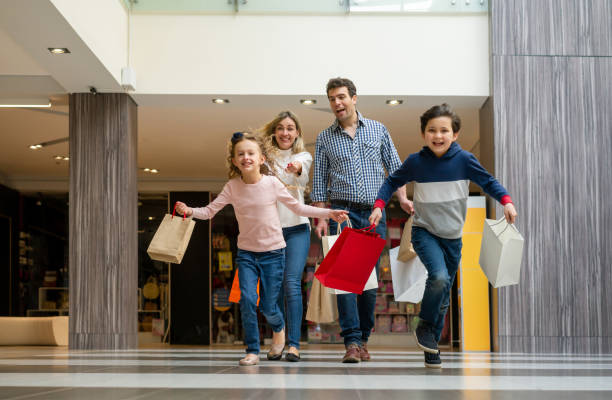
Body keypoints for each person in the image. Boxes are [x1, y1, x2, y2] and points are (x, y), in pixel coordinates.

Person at [175, 132, 348, 366]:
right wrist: (189, 211)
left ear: (262, 158)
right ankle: (253, 350)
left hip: (274, 254)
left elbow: (298, 208)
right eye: (241, 154)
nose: (246, 157)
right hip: (246, 254)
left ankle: (279, 326)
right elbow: (209, 211)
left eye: (250, 153)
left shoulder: (272, 183)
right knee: (247, 299)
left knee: (268, 305)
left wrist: (328, 213)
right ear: (234, 161)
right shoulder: (232, 187)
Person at [369, 103, 518, 368]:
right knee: (437, 278)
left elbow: (488, 182)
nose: (438, 136)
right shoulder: (416, 162)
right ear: (424, 133)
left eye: (444, 131)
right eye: (432, 130)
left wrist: (505, 200)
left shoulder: (464, 161)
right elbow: (392, 181)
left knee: (443, 293)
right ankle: (424, 326)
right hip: (425, 231)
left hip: (452, 237)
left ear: (455, 134)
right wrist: (380, 205)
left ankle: (431, 346)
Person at [312, 77, 412, 363]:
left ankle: (364, 338)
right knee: (344, 280)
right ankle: (352, 343)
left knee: (367, 282)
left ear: (354, 98)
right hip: (341, 213)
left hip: (372, 212)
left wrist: (403, 199)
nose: (337, 103)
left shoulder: (378, 130)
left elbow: (395, 169)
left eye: (342, 97)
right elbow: (319, 180)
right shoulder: (324, 138)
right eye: (332, 99)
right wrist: (321, 215)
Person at [259, 111, 312, 362]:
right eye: (280, 128)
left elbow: (301, 167)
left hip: (297, 228)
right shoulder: (264, 159)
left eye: (290, 128)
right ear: (274, 132)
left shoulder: (302, 156)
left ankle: (293, 344)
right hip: (271, 229)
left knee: (291, 283)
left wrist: (295, 167)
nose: (285, 133)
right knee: (274, 288)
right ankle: (277, 339)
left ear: (297, 133)